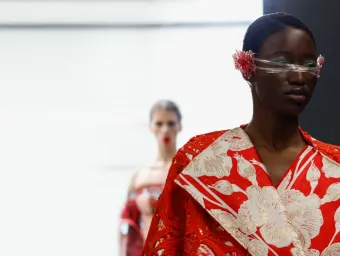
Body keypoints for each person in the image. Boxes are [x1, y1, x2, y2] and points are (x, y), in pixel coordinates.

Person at [142, 13, 340, 256]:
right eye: (280, 63)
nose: (299, 77)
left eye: (309, 66)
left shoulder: (335, 167)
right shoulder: (200, 161)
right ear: (248, 68)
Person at [119, 100, 182, 256]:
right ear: (151, 126)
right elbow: (127, 227)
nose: (165, 129)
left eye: (171, 123)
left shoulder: (187, 171)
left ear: (179, 126)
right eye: (159, 124)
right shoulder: (139, 176)